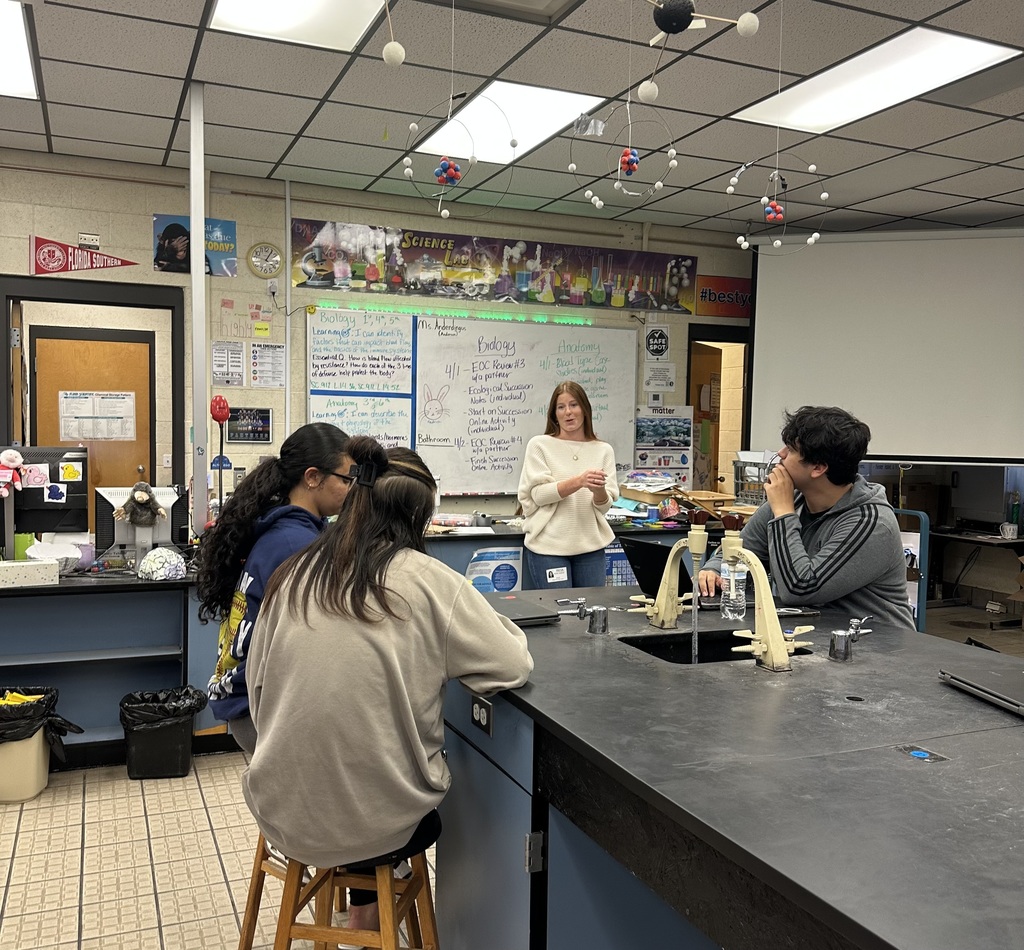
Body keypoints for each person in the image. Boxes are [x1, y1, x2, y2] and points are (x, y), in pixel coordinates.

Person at [243, 437, 533, 932]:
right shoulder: (429, 581)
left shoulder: (293, 574)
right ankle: (368, 917)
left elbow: (258, 691)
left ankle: (358, 914)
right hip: (381, 823)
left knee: (356, 762)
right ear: (419, 516)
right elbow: (513, 664)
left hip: (280, 811)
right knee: (390, 776)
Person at [195, 421, 353, 754]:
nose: (352, 489)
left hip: (244, 694)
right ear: (312, 477)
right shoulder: (296, 544)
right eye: (346, 479)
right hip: (256, 707)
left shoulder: (283, 528)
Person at [698, 406, 914, 629]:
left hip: (876, 647)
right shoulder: (792, 498)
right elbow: (738, 552)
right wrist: (714, 570)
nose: (780, 454)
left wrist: (783, 514)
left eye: (791, 450)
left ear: (818, 468)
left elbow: (800, 588)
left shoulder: (872, 523)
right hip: (814, 635)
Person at [517, 382, 619, 589]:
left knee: (592, 613)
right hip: (548, 548)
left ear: (585, 409)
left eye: (574, 405)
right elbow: (538, 495)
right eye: (561, 407)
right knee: (561, 614)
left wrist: (598, 490)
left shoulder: (603, 450)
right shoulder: (539, 445)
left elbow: (603, 507)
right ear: (554, 414)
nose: (568, 412)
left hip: (590, 548)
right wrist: (578, 482)